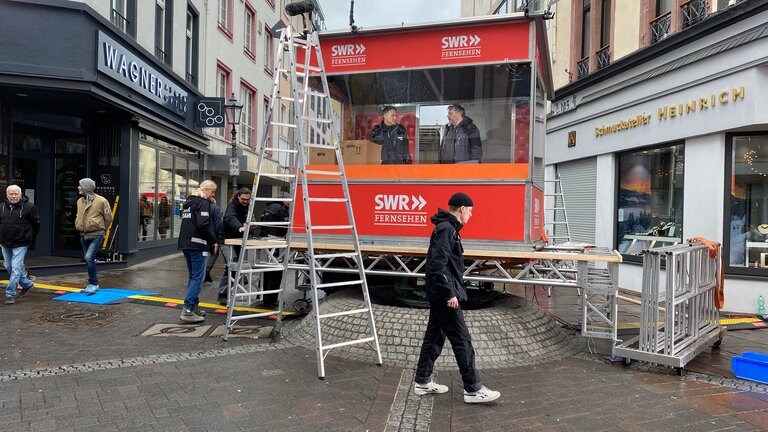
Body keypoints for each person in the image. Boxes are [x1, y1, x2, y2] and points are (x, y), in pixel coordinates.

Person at [413, 192, 500, 404]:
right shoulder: (447, 229)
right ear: (462, 209)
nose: (471, 215)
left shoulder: (448, 228)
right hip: (444, 295)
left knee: (434, 337)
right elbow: (437, 265)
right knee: (462, 340)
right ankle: (473, 389)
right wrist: (449, 293)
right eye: (470, 211)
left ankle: (422, 381)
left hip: (440, 292)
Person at [177, 180, 218, 323]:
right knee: (198, 278)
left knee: (193, 276)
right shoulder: (203, 203)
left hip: (186, 244)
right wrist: (214, 240)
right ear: (206, 190)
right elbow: (203, 224)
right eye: (212, 191)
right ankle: (188, 310)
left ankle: (193, 306)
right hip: (198, 245)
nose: (213, 194)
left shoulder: (190, 203)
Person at [0, 185, 39, 305]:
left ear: (20, 194)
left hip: (21, 243)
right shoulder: (1, 207)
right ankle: (27, 284)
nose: (13, 196)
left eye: (16, 193)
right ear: (7, 195)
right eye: (11, 194)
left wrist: (29, 238)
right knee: (8, 266)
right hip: (5, 242)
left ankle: (10, 294)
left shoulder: (29, 207)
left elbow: (36, 224)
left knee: (16, 268)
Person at [75, 178, 113, 295]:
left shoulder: (102, 201)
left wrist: (102, 229)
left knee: (88, 257)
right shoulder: (80, 201)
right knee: (88, 259)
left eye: (80, 185)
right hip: (83, 233)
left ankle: (93, 284)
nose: (78, 187)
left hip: (97, 234)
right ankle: (92, 283)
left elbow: (108, 218)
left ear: (86, 188)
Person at [217, 187, 252, 305]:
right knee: (231, 265)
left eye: (248, 199)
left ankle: (229, 292)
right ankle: (223, 293)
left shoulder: (246, 206)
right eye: (244, 199)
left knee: (235, 265)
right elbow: (230, 218)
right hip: (226, 240)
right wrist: (240, 227)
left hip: (237, 239)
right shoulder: (232, 206)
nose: (246, 201)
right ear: (238, 196)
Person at [259, 192, 290, 307]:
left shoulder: (267, 208)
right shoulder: (281, 209)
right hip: (277, 242)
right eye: (288, 200)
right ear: (284, 199)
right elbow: (285, 226)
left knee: (267, 270)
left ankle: (266, 298)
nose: (289, 203)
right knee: (276, 272)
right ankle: (271, 299)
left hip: (267, 241)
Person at [204, 196, 223, 283]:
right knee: (214, 253)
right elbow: (218, 224)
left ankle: (203, 272)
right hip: (212, 235)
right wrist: (217, 238)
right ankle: (206, 270)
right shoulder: (215, 208)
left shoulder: (201, 207)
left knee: (203, 254)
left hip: (202, 235)